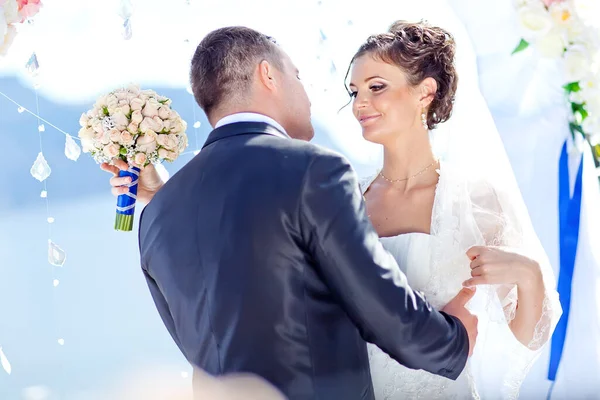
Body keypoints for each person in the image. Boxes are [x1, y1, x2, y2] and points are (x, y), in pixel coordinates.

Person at [101, 26, 478, 399]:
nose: (308, 96)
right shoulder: (314, 170)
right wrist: (453, 341)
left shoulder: (158, 213)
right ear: (268, 75)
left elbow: (204, 340)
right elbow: (381, 308)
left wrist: (165, 196)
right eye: (297, 76)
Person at [347, 21, 561, 399]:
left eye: (376, 87)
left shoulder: (477, 197)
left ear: (424, 92)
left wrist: (529, 276)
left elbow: (526, 339)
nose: (359, 103)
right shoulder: (346, 199)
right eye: (354, 92)